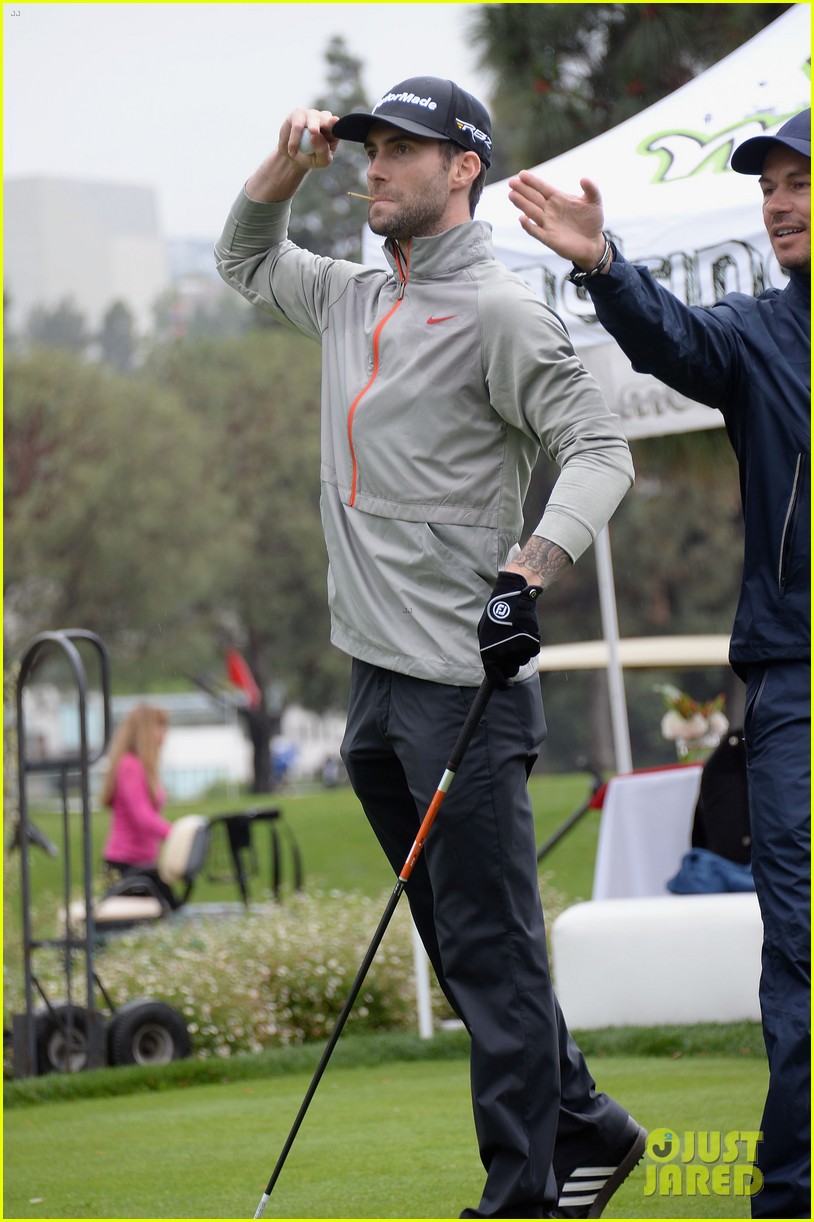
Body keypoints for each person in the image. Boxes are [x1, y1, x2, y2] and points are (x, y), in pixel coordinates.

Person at [216, 76, 642, 1218]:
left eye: (402, 150)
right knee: (462, 946)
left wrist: (529, 571)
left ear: (464, 170)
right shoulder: (355, 296)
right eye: (369, 150)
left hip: (465, 687)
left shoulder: (502, 312)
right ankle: (590, 1121)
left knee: (492, 956)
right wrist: (283, 167)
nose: (376, 167)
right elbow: (244, 260)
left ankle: (525, 1188)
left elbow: (599, 447)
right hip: (373, 677)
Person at [508, 109, 810, 1219]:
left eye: (799, 182)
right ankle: (792, 1194)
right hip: (796, 686)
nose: (776, 202)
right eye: (768, 186)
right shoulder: (756, 336)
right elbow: (672, 341)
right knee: (805, 948)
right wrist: (603, 267)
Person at [100, 703, 176, 907]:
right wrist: (177, 833)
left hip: (143, 863)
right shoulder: (130, 766)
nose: (164, 733)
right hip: (126, 865)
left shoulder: (142, 766)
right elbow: (142, 816)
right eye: (160, 727)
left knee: (166, 911)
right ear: (145, 732)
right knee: (168, 910)